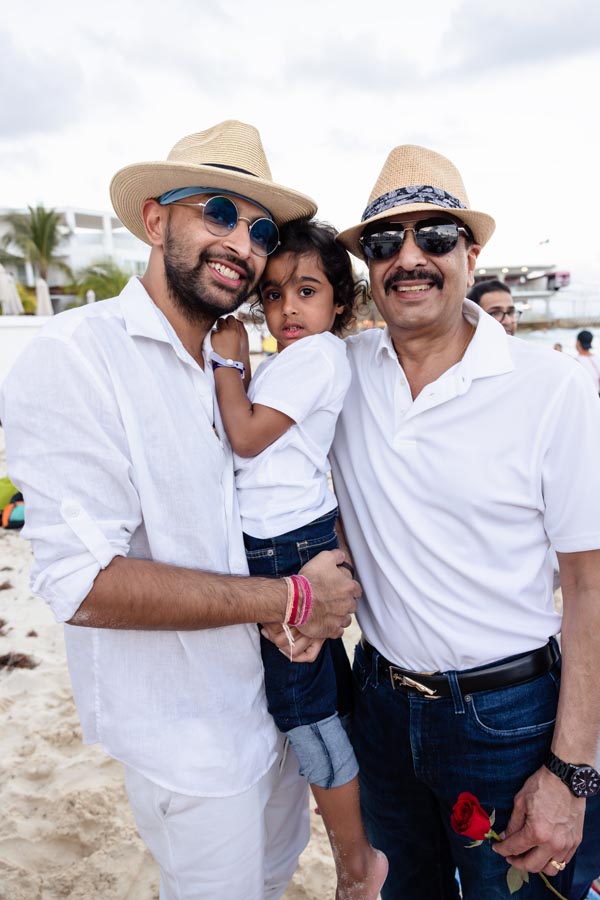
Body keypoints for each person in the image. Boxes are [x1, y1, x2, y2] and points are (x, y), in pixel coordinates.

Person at [0, 120, 360, 900]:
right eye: (218, 212)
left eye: (260, 230)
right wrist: (294, 598)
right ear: (156, 220)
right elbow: (80, 584)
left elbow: (283, 487)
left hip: (275, 710)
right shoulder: (76, 356)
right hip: (191, 741)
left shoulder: (236, 363)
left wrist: (332, 565)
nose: (242, 242)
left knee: (272, 881)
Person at [330, 143, 600, 899]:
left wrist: (572, 771)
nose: (409, 257)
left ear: (471, 255)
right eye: (386, 242)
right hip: (378, 706)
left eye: (436, 236)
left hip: (509, 720)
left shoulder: (552, 388)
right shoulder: (338, 374)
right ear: (369, 266)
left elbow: (589, 587)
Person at [211, 218, 388, 900]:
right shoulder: (305, 358)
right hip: (292, 534)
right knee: (320, 694)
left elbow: (247, 437)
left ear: (340, 301)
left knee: (302, 710)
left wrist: (230, 363)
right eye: (274, 293)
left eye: (307, 291)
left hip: (283, 544)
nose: (287, 307)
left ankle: (356, 862)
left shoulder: (315, 356)